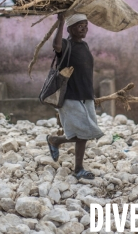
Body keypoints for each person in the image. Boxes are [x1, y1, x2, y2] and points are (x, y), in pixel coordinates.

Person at [46, 13, 104, 180]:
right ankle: (78, 169)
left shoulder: (84, 45)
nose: (85, 28)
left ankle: (55, 140)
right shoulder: (65, 44)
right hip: (70, 96)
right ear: (70, 29)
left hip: (86, 95)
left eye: (86, 25)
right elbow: (56, 45)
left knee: (84, 133)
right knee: (84, 132)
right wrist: (61, 21)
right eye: (80, 26)